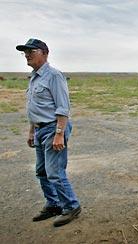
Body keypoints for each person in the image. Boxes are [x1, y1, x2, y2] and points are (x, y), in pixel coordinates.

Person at [16, 38, 81, 227]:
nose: (27, 55)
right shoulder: (34, 76)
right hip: (39, 129)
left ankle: (71, 206)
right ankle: (53, 204)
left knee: (54, 171)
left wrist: (59, 133)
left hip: (54, 128)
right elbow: (34, 107)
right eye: (25, 52)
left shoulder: (54, 76)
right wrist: (31, 131)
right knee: (42, 171)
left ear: (45, 53)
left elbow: (63, 107)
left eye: (31, 51)